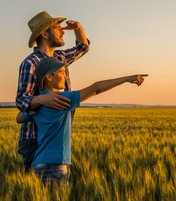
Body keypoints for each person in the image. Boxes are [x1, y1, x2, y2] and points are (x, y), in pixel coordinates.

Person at [19, 57, 148, 185]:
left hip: (38, 164)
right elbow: (96, 88)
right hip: (55, 167)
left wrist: (36, 102)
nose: (65, 77)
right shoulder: (61, 99)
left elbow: (19, 118)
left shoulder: (39, 102)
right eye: (62, 72)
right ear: (49, 77)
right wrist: (126, 79)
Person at [16, 11, 90, 173]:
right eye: (57, 28)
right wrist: (42, 100)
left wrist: (78, 28)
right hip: (35, 138)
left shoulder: (59, 58)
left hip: (54, 137)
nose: (62, 31)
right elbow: (21, 101)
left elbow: (83, 47)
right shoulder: (31, 63)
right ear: (44, 33)